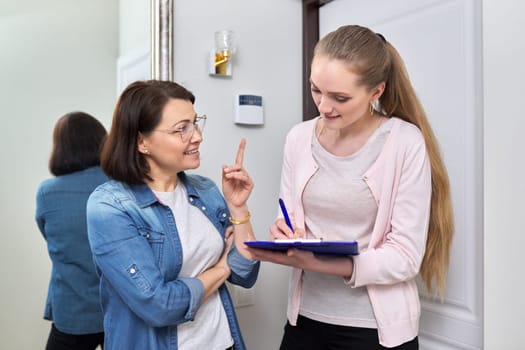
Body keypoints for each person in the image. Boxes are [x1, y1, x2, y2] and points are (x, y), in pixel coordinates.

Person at [249, 25, 454, 349]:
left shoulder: (403, 142)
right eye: (316, 90)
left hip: (374, 329)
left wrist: (324, 263)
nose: (323, 106)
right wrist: (284, 232)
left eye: (340, 98)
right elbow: (289, 217)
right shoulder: (298, 138)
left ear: (376, 92)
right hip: (305, 321)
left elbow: (405, 256)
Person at [86, 79, 260, 350]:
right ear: (142, 141)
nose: (198, 135)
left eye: (195, 122)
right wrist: (222, 267)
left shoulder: (206, 190)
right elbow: (159, 305)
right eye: (182, 129)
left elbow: (246, 273)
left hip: (222, 343)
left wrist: (238, 207)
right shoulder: (110, 206)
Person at [35, 111, 108, 350]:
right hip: (119, 310)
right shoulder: (121, 185)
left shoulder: (48, 192)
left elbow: (51, 237)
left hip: (72, 312)